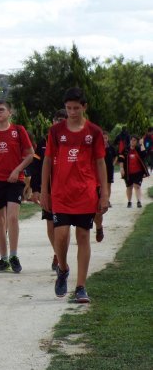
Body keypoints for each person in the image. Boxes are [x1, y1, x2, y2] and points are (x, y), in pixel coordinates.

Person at [41, 87, 109, 303]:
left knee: (82, 237)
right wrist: (45, 191)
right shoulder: (55, 131)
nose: (72, 112)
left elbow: (100, 162)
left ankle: (81, 287)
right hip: (60, 194)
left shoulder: (94, 132)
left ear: (84, 107)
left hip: (85, 193)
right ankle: (63, 269)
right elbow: (47, 161)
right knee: (60, 236)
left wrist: (104, 194)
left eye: (76, 108)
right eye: (68, 108)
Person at [0, 100, 34, 273]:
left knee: (12, 217)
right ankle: (3, 258)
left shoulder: (18, 130)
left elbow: (30, 155)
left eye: (1, 109)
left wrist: (17, 170)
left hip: (15, 179)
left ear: (9, 112)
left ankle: (14, 255)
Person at [29, 109, 68, 270]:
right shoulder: (44, 142)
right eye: (57, 120)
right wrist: (36, 189)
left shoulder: (72, 140)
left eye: (62, 120)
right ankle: (57, 254)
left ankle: (61, 256)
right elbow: (36, 167)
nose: (59, 123)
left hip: (67, 190)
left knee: (63, 226)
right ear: (52, 122)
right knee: (51, 224)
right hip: (49, 190)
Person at [119, 135, 149, 208]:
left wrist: (142, 144)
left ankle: (139, 201)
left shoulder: (138, 149)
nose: (132, 141)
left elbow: (144, 154)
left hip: (138, 172)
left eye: (134, 140)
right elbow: (121, 159)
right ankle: (129, 202)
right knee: (129, 187)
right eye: (131, 140)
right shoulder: (125, 150)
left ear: (137, 142)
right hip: (128, 172)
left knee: (137, 186)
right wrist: (121, 168)